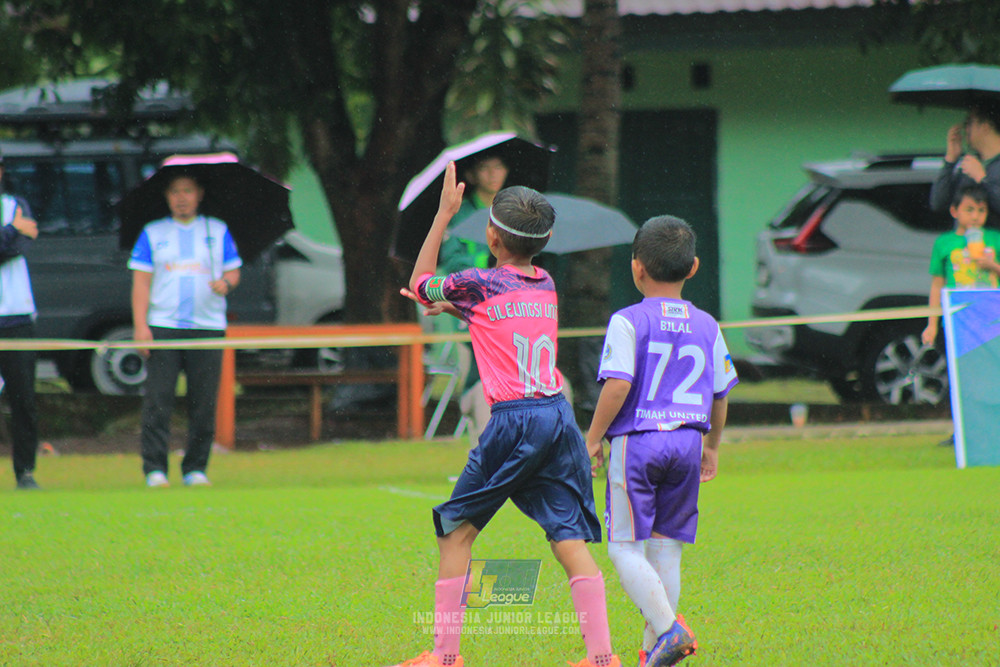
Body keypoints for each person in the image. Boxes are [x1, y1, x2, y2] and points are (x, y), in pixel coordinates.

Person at [392, 161, 620, 667]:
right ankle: (602, 658)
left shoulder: (477, 282)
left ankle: (444, 657)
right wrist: (458, 309)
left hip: (515, 421)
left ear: (492, 236)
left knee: (456, 531)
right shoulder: (545, 282)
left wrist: (444, 215)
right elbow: (502, 312)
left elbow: (421, 279)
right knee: (568, 536)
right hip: (557, 417)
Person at [585, 216, 739, 667]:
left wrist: (593, 437)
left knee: (623, 547)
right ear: (693, 268)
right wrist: (712, 446)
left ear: (636, 268)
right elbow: (720, 392)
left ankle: (669, 631)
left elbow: (617, 385)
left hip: (640, 441)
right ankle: (654, 648)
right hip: (690, 443)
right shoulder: (708, 324)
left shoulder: (627, 320)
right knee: (666, 547)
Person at [129, 172, 241, 488]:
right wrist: (140, 326)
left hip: (207, 328)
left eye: (188, 191)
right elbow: (141, 281)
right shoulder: (153, 232)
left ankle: (195, 468)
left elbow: (234, 271)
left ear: (199, 194)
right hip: (163, 327)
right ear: (167, 196)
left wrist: (226, 283)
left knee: (204, 402)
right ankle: (155, 469)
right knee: (158, 400)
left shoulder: (216, 231)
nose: (181, 197)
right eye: (175, 191)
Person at [0, 153, 42, 490]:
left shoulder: (16, 203)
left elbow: (18, 247)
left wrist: (12, 234)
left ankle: (25, 471)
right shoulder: (14, 218)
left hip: (16, 315)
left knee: (23, 398)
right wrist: (11, 230)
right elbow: (13, 239)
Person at [922, 184, 1000, 346]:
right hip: (958, 317)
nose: (975, 216)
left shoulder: (995, 239)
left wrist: (992, 265)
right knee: (963, 366)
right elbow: (937, 285)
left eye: (981, 210)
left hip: (992, 315)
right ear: (954, 211)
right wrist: (932, 324)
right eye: (969, 210)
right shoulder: (944, 243)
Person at [929, 101, 1000, 220]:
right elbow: (938, 203)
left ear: (985, 127)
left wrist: (982, 179)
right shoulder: (969, 165)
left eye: (968, 123)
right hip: (966, 238)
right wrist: (950, 161)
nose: (965, 129)